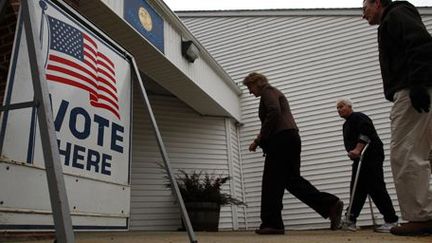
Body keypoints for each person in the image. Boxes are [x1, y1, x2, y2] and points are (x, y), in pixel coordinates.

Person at [362, 0, 432, 236]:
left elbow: (420, 44)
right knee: (423, 152)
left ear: (378, 3)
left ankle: (421, 217)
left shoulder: (397, 14)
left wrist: (418, 84)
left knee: (405, 152)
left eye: (365, 9)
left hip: (412, 89)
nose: (364, 15)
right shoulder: (396, 17)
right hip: (415, 87)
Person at [243, 72, 344, 235]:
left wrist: (261, 139)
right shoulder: (274, 92)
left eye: (250, 87)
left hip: (281, 140)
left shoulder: (268, 91)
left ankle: (272, 223)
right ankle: (330, 204)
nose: (249, 91)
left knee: (271, 182)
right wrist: (258, 141)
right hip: (291, 138)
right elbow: (275, 115)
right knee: (291, 180)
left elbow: (274, 112)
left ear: (257, 83)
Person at [336, 98, 399, 233]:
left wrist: (358, 149)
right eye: (337, 108)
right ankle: (350, 219)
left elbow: (366, 132)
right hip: (360, 159)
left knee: (376, 186)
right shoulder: (346, 124)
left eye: (341, 106)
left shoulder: (358, 117)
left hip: (370, 156)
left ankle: (391, 220)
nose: (339, 110)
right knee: (357, 187)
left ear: (349, 106)